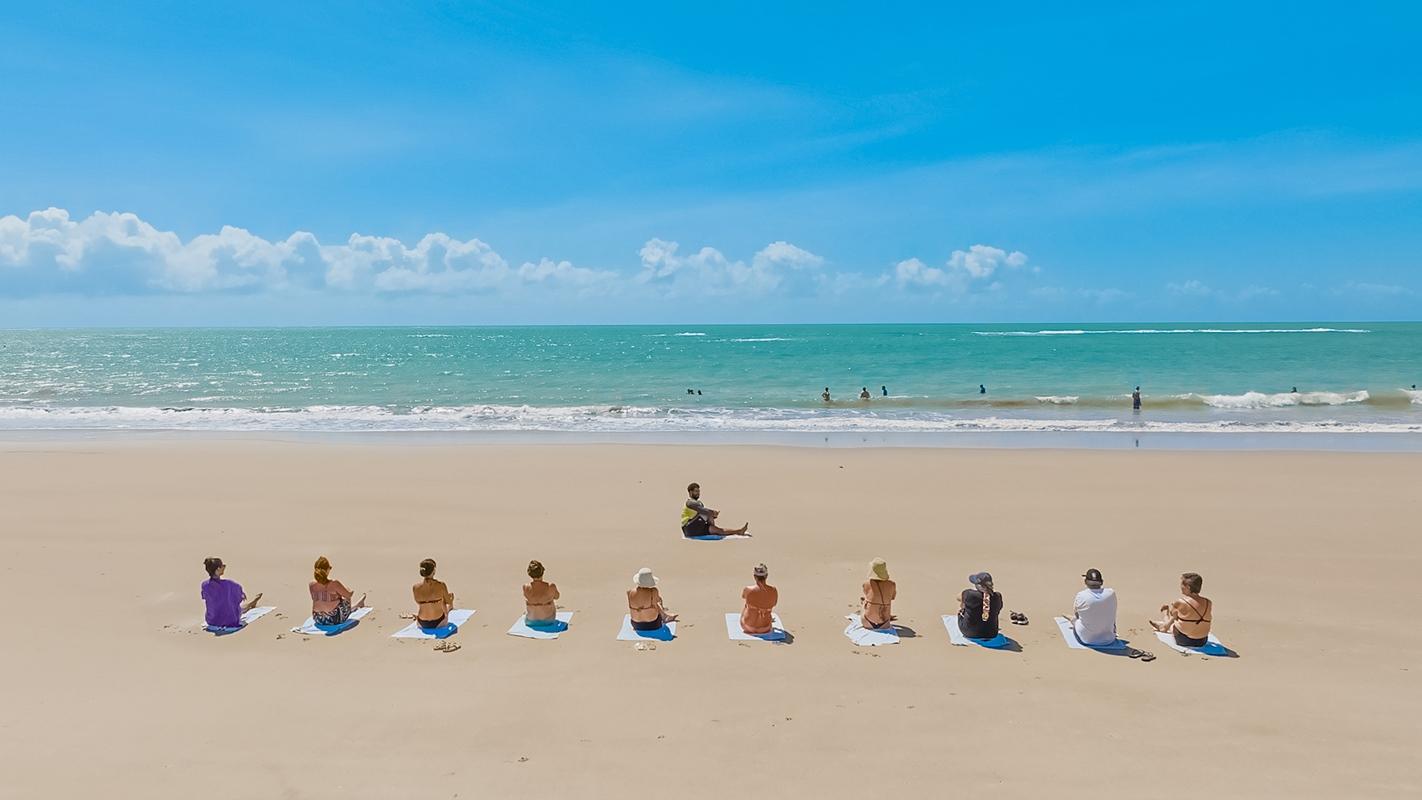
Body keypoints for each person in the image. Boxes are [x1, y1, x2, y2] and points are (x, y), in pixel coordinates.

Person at [1150, 572, 1213, 647]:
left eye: (1182, 584)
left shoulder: (1181, 602)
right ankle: (1163, 625)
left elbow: (1173, 616)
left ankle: (1163, 626)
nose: (1180, 586)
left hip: (1184, 640)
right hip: (1202, 641)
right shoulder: (1208, 602)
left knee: (1176, 618)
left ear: (1188, 587)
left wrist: (1167, 611)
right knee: (1186, 617)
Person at [201, 557, 262, 629]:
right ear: (218, 569)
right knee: (238, 609)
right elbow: (239, 595)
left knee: (227, 606)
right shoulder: (229, 584)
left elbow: (205, 597)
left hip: (212, 620)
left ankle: (252, 603)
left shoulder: (205, 585)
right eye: (223, 566)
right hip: (229, 621)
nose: (224, 567)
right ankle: (252, 602)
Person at [310, 556, 366, 626]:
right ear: (327, 570)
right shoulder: (334, 583)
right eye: (329, 568)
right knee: (345, 597)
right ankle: (357, 605)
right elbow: (349, 595)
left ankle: (356, 605)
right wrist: (348, 590)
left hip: (318, 618)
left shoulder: (311, 584)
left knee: (333, 599)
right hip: (334, 619)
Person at [681, 481, 749, 537]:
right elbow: (704, 512)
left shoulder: (698, 502)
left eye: (699, 491)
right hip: (688, 528)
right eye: (696, 491)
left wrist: (713, 516)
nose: (698, 493)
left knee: (718, 530)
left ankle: (739, 531)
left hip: (696, 529)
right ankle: (712, 526)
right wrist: (713, 513)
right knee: (707, 512)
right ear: (690, 492)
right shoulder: (689, 502)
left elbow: (704, 514)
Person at [1070, 568, 1118, 646]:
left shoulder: (1081, 595)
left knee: (1076, 620)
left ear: (1085, 582)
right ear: (1101, 582)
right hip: (1109, 639)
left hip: (1087, 640)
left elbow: (1077, 614)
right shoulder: (1111, 593)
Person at [958, 571, 1004, 640]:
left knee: (963, 605)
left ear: (978, 585)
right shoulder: (998, 596)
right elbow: (999, 608)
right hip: (992, 633)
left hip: (970, 633)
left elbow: (958, 597)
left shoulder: (970, 594)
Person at [411, 558, 454, 630]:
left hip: (422, 622)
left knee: (426, 603)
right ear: (433, 571)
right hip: (439, 622)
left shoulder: (415, 587)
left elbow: (418, 602)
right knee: (443, 600)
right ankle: (448, 610)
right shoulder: (441, 585)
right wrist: (451, 599)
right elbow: (448, 602)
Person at [740, 563, 779, 635]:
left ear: (754, 576)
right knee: (766, 608)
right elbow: (774, 603)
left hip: (747, 626)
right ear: (766, 576)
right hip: (765, 628)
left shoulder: (748, 589)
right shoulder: (773, 590)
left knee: (747, 605)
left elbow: (743, 596)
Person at [860, 558, 896, 630]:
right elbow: (892, 597)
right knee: (884, 603)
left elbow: (867, 595)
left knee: (864, 601)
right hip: (885, 624)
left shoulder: (867, 584)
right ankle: (887, 615)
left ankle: (871, 613)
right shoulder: (891, 584)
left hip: (867, 622)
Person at [523, 559, 560, 626]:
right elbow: (557, 597)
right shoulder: (550, 586)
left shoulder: (525, 587)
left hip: (530, 621)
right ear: (542, 572)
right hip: (549, 621)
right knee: (550, 600)